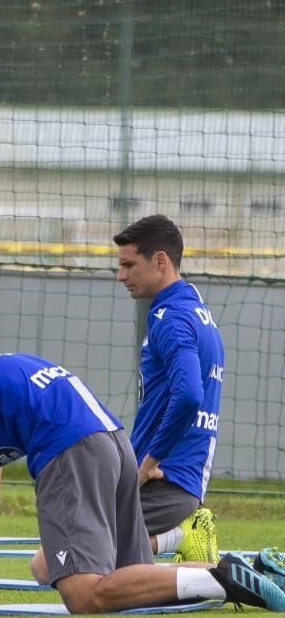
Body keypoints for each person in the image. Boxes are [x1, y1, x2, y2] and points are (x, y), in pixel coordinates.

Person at [0, 353, 284, 614]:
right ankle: (253, 570)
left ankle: (224, 580)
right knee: (136, 582)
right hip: (113, 442)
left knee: (84, 594)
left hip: (70, 447)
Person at [114, 214, 224, 564]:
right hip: (180, 477)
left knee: (51, 563)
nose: (121, 276)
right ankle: (181, 539)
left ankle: (182, 533)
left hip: (163, 478)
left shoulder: (172, 319)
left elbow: (190, 394)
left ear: (160, 261)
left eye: (129, 265)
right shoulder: (195, 309)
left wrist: (148, 462)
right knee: (108, 562)